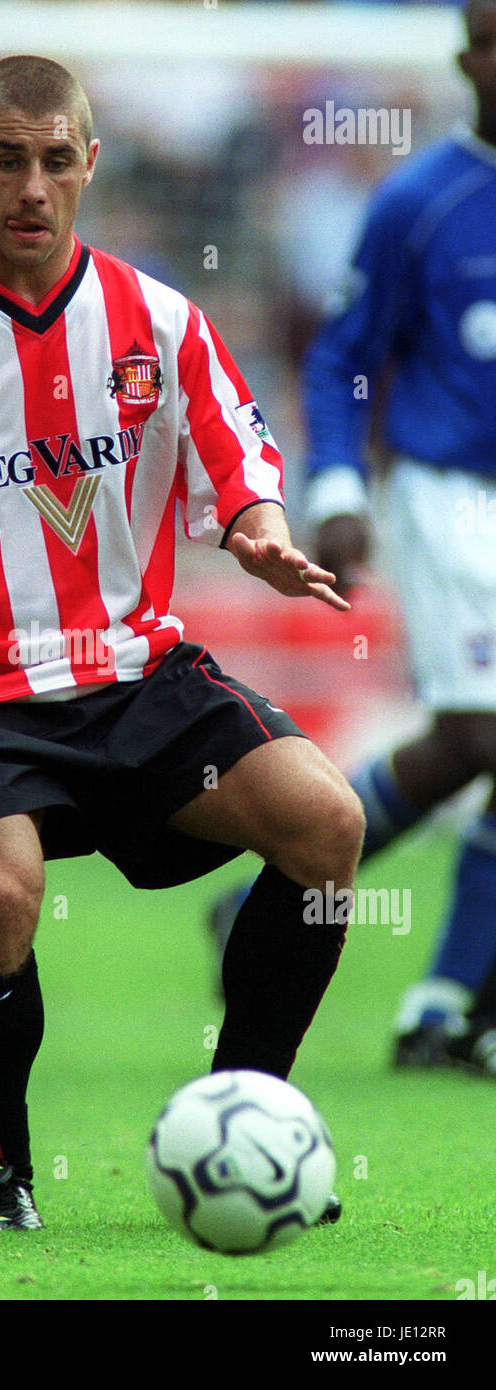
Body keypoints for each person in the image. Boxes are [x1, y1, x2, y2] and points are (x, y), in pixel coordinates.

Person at [0, 54, 363, 1230]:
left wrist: (257, 531)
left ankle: (244, 1118)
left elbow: (239, 459)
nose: (30, 186)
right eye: (5, 160)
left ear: (87, 164)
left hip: (136, 672)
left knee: (326, 823)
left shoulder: (156, 319)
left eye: (53, 160)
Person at [210, 0, 496, 1078]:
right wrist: (334, 486)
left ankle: (436, 1005)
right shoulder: (419, 204)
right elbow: (340, 358)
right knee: (477, 737)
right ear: (465, 58)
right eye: (487, 37)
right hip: (448, 497)